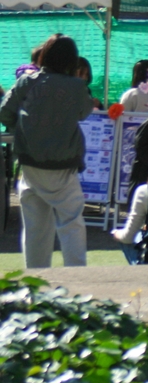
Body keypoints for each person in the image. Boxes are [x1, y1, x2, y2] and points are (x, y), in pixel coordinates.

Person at [0, 34, 93, 269]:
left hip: (30, 164)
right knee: (71, 223)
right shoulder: (77, 86)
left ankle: (37, 284)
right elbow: (84, 112)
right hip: (63, 166)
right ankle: (78, 282)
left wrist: (22, 131)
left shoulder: (26, 82)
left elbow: (4, 112)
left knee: (35, 229)